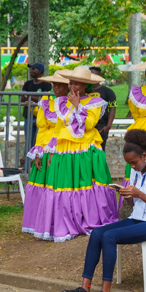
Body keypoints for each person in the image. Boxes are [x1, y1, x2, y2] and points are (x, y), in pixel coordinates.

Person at [61, 130, 146, 292]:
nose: (133, 167)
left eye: (134, 162)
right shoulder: (136, 172)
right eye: (129, 164)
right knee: (97, 233)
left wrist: (141, 195)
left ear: (144, 156)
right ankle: (84, 287)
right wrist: (128, 197)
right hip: (136, 218)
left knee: (109, 236)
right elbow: (135, 206)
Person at [22, 65, 119, 241]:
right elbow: (58, 129)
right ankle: (68, 221)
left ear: (86, 86)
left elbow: (89, 124)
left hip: (85, 149)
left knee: (84, 185)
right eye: (72, 83)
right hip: (65, 148)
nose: (73, 86)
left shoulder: (95, 102)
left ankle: (87, 218)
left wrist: (77, 106)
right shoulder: (61, 103)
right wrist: (49, 149)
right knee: (66, 186)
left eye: (78, 83)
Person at [21, 63, 53, 159]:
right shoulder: (27, 84)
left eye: (34, 69)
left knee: (41, 140)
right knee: (28, 141)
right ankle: (27, 167)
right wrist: (35, 98)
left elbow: (45, 98)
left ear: (40, 71)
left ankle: (39, 162)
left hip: (42, 117)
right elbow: (22, 98)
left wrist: (30, 97)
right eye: (31, 69)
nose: (31, 71)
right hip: (28, 116)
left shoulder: (46, 84)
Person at [87, 66, 117, 150]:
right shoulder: (83, 91)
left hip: (101, 126)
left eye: (95, 75)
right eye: (90, 75)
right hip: (86, 125)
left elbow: (112, 109)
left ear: (99, 77)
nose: (92, 77)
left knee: (100, 149)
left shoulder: (108, 92)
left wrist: (108, 125)